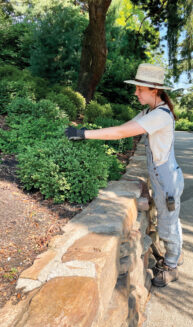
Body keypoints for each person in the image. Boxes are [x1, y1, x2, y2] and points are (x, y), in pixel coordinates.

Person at [65, 63, 184, 287]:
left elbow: (121, 132)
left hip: (167, 181)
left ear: (154, 90)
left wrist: (83, 134)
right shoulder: (150, 112)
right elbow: (124, 126)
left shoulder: (160, 116)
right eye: (137, 88)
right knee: (171, 220)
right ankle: (175, 255)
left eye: (140, 89)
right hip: (163, 179)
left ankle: (171, 266)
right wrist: (89, 132)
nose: (136, 92)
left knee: (168, 225)